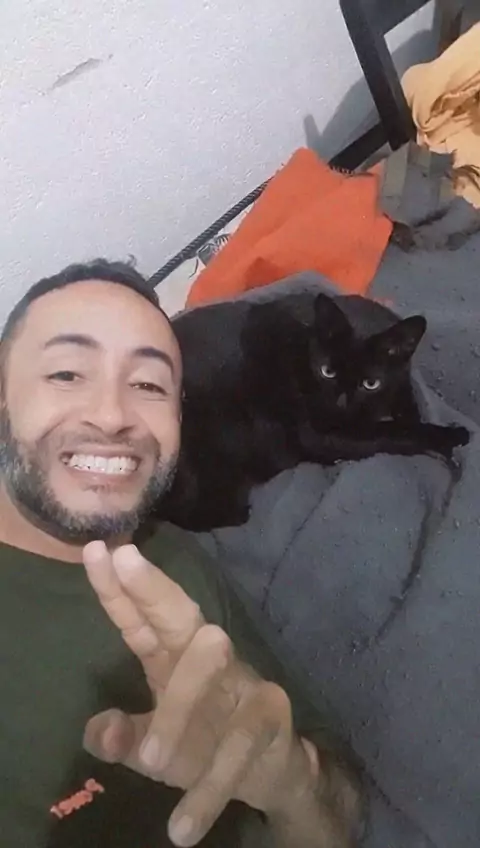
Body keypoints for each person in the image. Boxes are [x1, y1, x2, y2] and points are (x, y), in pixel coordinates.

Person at [0, 259, 363, 848]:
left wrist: (292, 785)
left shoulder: (179, 561)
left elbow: (337, 822)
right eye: (66, 373)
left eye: (149, 385)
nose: (112, 416)